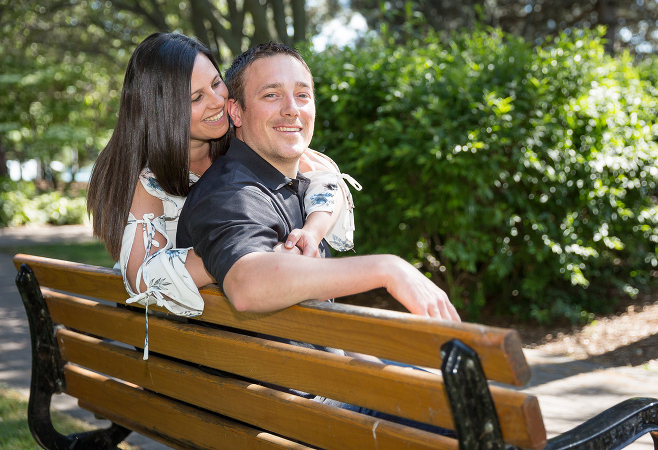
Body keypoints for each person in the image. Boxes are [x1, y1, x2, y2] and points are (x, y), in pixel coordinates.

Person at [86, 33, 360, 334]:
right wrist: (229, 257)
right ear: (163, 113)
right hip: (185, 341)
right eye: (196, 98)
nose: (219, 101)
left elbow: (326, 179)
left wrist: (311, 231)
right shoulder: (148, 181)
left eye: (216, 84)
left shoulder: (246, 142)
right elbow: (143, 279)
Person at [177, 42, 460, 322]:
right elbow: (246, 285)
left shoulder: (296, 183)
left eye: (302, 95)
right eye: (272, 95)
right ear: (235, 112)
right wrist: (388, 269)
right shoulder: (229, 193)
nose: (291, 109)